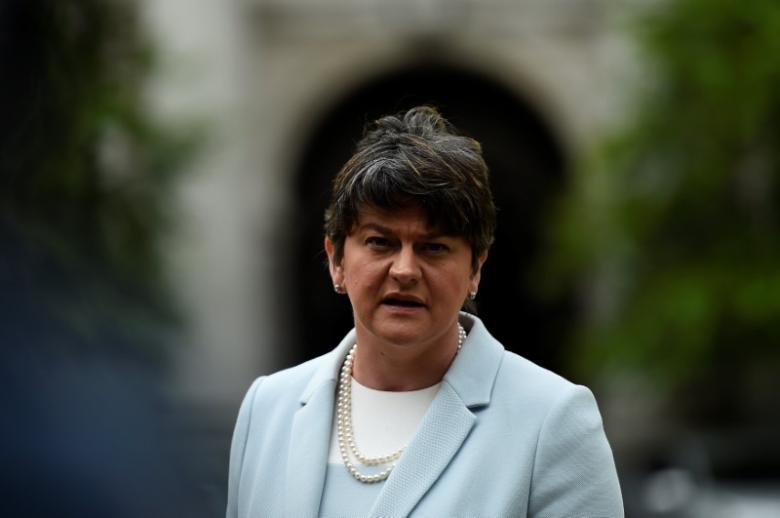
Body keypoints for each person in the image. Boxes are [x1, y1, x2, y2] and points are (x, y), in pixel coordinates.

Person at [225, 106, 624, 517]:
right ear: (336, 259)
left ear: (476, 268)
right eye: (380, 242)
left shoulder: (551, 420)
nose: (404, 270)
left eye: (434, 247)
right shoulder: (267, 410)